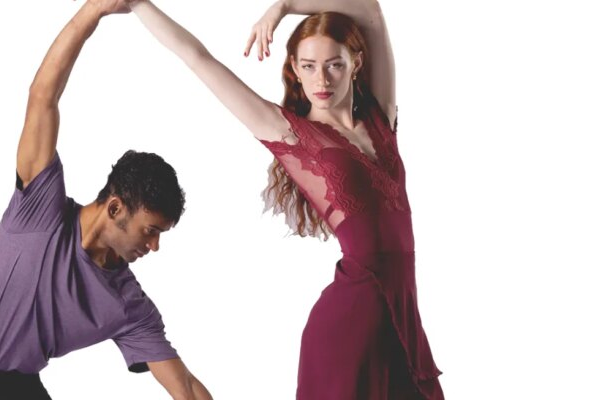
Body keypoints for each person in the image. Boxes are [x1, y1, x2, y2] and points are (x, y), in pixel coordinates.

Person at [126, 0, 443, 398]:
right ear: (294, 68)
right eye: (308, 66)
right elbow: (198, 58)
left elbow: (370, 10)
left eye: (334, 65)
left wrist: (284, 6)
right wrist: (137, 3)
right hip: (350, 329)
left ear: (356, 63)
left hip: (402, 320)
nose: (321, 79)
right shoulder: (291, 135)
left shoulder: (381, 115)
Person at [0, 1, 212, 399]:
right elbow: (43, 97)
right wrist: (93, 11)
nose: (154, 246)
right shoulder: (39, 209)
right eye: (150, 231)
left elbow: (185, 386)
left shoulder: (126, 302)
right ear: (115, 208)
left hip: (22, 388)